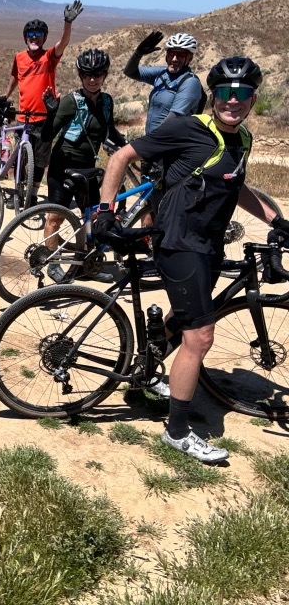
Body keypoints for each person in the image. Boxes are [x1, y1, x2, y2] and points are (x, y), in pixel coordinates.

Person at [93, 56, 289, 464]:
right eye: (225, 92)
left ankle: (146, 370)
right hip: (179, 243)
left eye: (242, 93)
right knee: (199, 336)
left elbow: (236, 185)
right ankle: (178, 431)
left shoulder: (242, 139)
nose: (233, 100)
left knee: (184, 319)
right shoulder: (187, 128)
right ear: (212, 96)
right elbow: (120, 157)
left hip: (208, 245)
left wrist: (276, 219)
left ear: (253, 99)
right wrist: (105, 213)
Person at [40, 49, 126, 284]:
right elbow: (47, 136)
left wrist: (130, 147)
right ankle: (52, 264)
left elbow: (110, 131)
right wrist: (51, 114)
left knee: (93, 217)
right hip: (63, 166)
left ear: (105, 75)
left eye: (97, 74)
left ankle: (87, 265)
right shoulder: (71, 102)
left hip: (88, 169)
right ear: (80, 76)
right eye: (87, 74)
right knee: (56, 217)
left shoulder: (107, 101)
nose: (92, 79)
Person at [0, 0, 84, 203]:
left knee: (40, 160)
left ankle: (33, 195)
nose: (34, 37)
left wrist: (68, 23)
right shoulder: (19, 57)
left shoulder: (49, 57)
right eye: (30, 34)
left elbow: (63, 43)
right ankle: (19, 192)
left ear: (44, 38)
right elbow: (15, 77)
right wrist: (6, 96)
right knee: (21, 158)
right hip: (24, 117)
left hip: (44, 117)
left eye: (38, 34)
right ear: (25, 38)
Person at [124, 31, 205, 134]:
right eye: (171, 54)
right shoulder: (162, 73)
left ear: (189, 58)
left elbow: (173, 120)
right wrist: (138, 53)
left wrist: (148, 141)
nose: (174, 59)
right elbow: (130, 72)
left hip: (170, 141)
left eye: (180, 55)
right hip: (153, 138)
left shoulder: (190, 82)